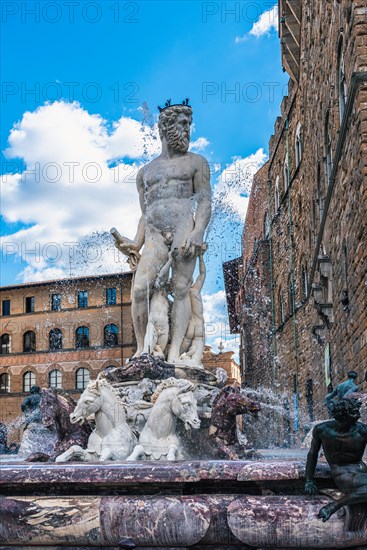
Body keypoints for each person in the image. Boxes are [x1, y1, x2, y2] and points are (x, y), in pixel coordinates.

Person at [113, 100, 211, 364]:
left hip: (183, 228)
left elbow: (204, 201)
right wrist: (135, 243)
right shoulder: (145, 173)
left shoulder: (197, 163)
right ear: (166, 128)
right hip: (155, 234)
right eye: (182, 124)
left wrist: (199, 230)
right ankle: (142, 350)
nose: (188, 129)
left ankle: (175, 351)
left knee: (180, 288)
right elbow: (146, 213)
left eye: (189, 124)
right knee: (139, 290)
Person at [304, 398, 367, 521]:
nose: (358, 415)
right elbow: (312, 454)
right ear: (342, 415)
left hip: (362, 472)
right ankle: (333, 506)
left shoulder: (363, 430)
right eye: (354, 413)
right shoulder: (322, 430)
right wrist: (309, 480)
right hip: (343, 474)